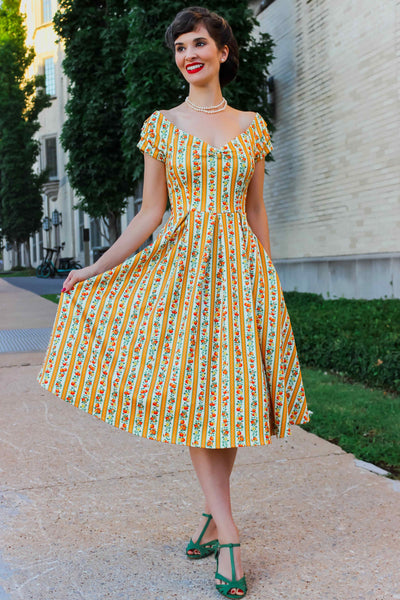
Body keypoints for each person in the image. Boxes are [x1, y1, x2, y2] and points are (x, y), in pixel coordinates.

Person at [38, 6, 310, 598]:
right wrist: (93, 267)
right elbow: (150, 213)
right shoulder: (161, 126)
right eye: (180, 48)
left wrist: (268, 279)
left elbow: (256, 211)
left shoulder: (252, 126)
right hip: (182, 272)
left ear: (223, 52)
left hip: (241, 277)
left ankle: (213, 515)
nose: (189, 54)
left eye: (199, 44)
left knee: (230, 401)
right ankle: (231, 532)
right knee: (199, 400)